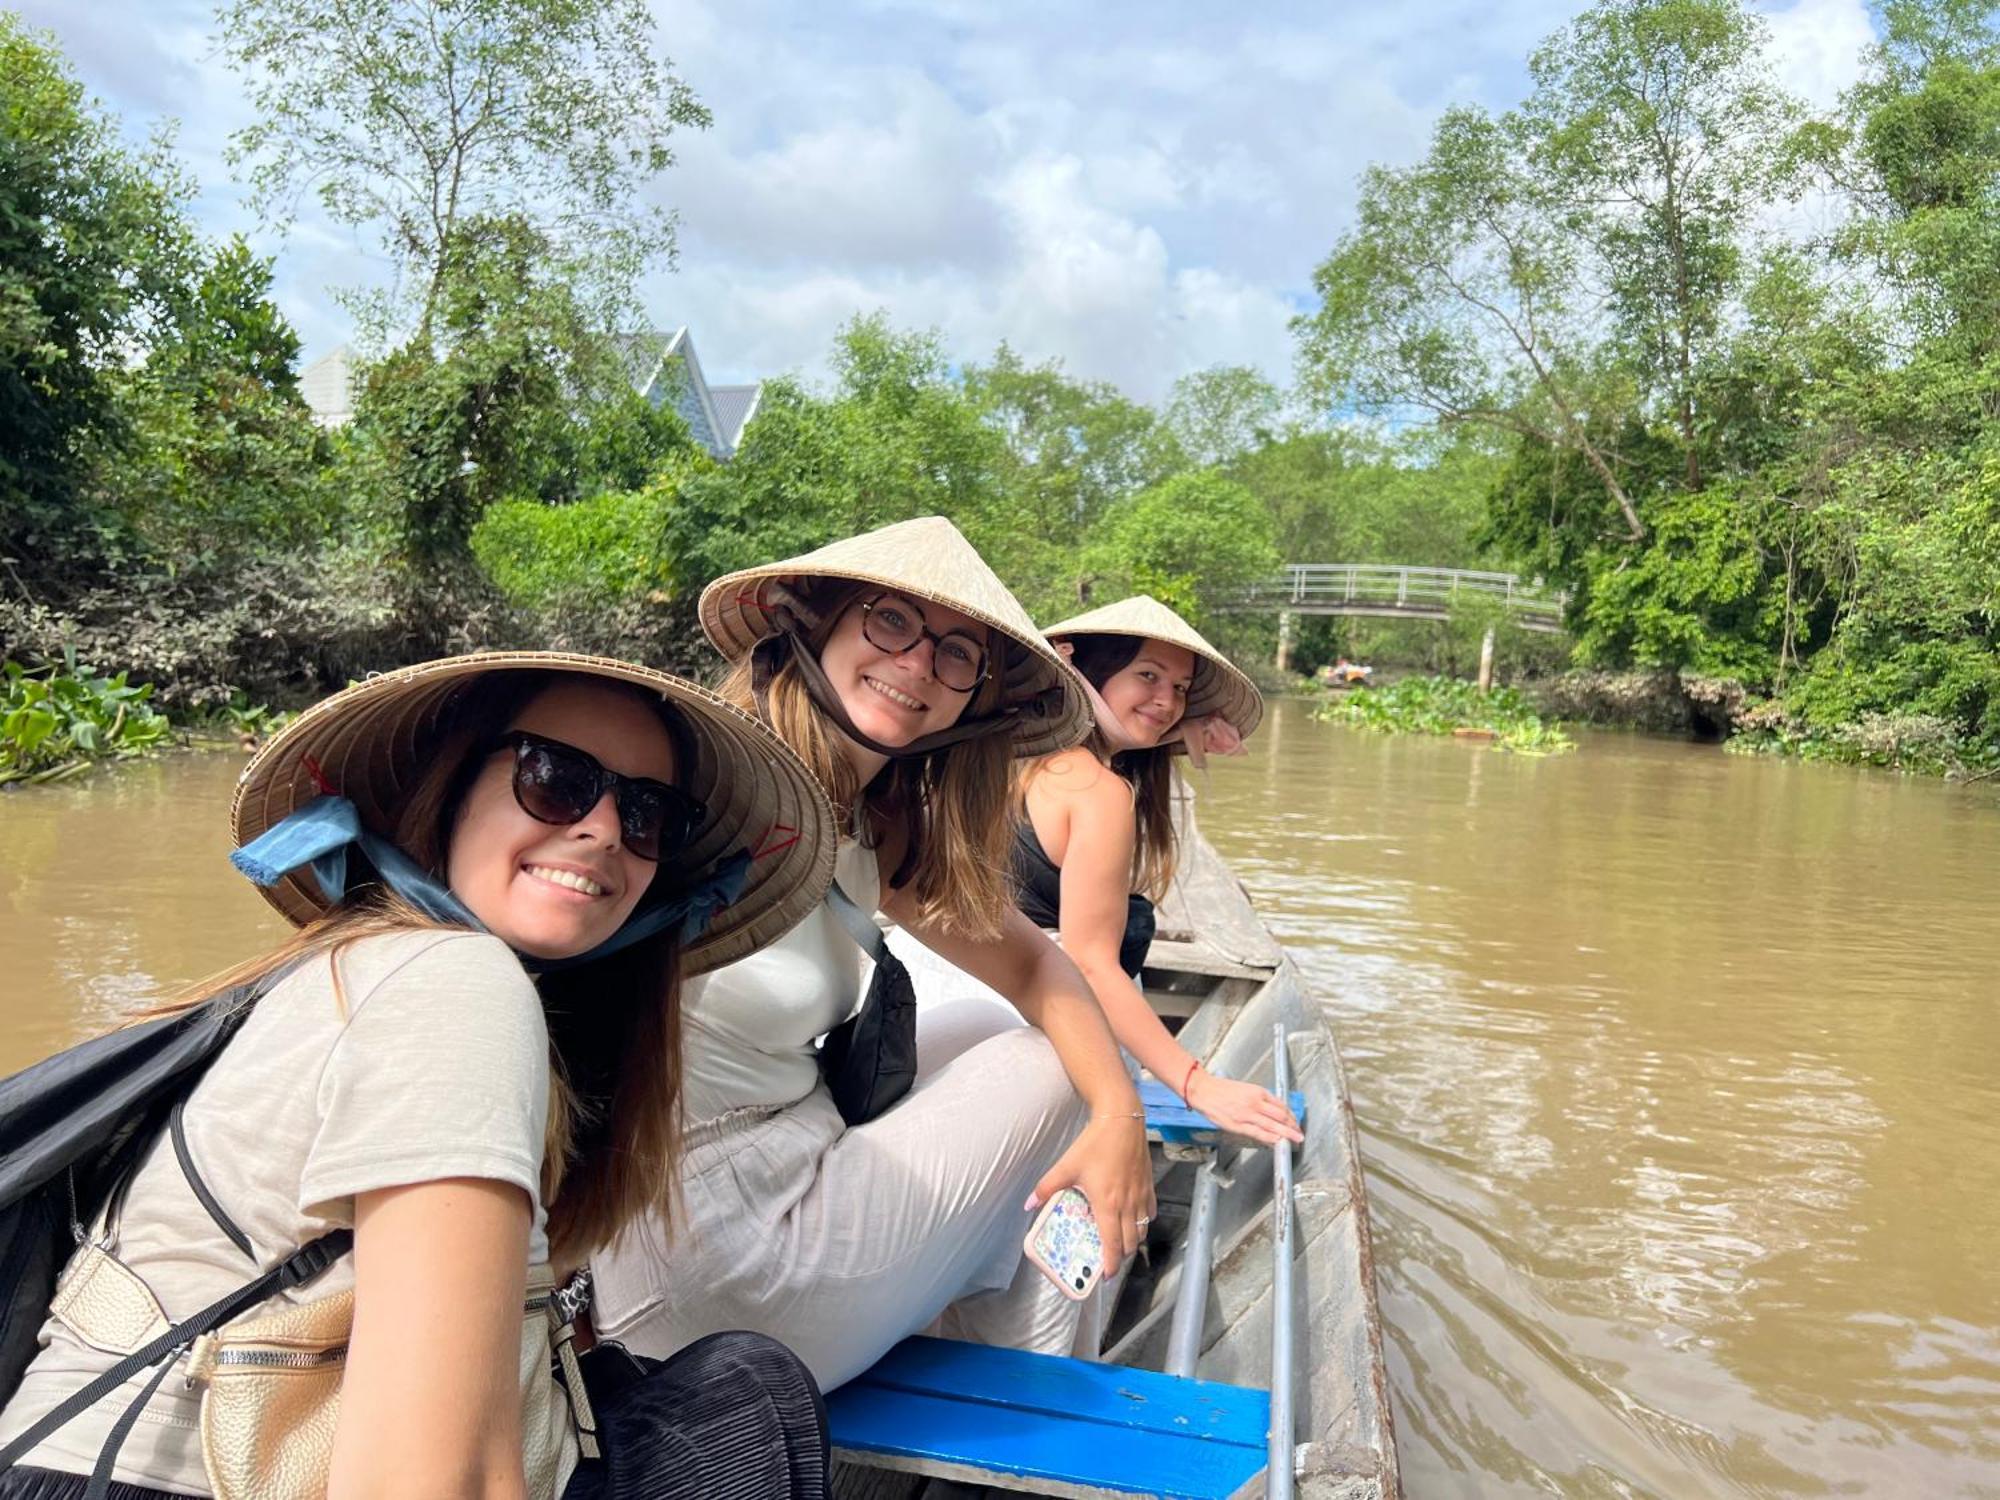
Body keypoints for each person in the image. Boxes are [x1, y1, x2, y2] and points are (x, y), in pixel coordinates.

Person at [0, 652, 840, 1500]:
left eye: (650, 812)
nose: (605, 830)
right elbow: (433, 1484)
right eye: (556, 780)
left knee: (726, 1397)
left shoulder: (355, 968)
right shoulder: (451, 985)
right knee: (750, 1399)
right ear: (450, 786)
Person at [590, 518, 1157, 1390]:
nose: (920, 665)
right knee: (1060, 1075)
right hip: (708, 1264)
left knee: (1023, 1034)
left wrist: (1124, 1116)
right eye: (890, 622)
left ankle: (991, 1347)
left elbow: (1040, 969)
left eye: (958, 654)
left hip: (786, 1154)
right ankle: (1025, 1381)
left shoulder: (873, 826)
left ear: (972, 699)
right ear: (812, 621)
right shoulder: (702, 790)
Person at [1016, 596, 1301, 1147]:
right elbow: (1091, 963)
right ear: (1088, 674)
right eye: (1148, 675)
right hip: (1052, 1032)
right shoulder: (1098, 792)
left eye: (1182, 689)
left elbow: (1120, 720)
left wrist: (1173, 723)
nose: (1168, 701)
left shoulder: (1015, 755)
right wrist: (1200, 1085)